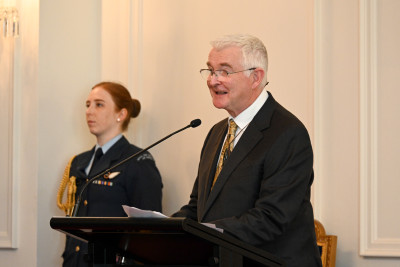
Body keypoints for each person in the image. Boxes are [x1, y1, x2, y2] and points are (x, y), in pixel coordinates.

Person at [172, 34, 322, 266]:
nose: (213, 80)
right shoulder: (216, 132)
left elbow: (271, 218)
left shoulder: (288, 132)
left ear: (255, 77)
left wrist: (202, 232)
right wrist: (161, 229)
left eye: (224, 71)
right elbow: (198, 207)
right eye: (211, 70)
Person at [59, 81, 163, 267]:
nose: (89, 111)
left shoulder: (138, 160)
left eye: (99, 104)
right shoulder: (79, 162)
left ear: (121, 114)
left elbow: (149, 230)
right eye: (88, 104)